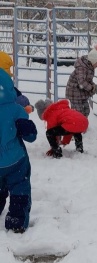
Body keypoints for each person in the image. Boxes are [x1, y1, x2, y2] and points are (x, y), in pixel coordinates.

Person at [0, 68, 37, 233]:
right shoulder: (16, 110)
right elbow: (30, 136)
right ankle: (16, 219)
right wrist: (28, 129)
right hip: (16, 160)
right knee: (20, 187)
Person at [65, 44, 97, 117]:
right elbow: (81, 82)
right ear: (93, 61)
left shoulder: (89, 67)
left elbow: (87, 80)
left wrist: (93, 86)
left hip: (81, 94)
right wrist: (92, 88)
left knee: (86, 111)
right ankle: (76, 127)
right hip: (74, 94)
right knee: (78, 114)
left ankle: (81, 125)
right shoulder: (81, 68)